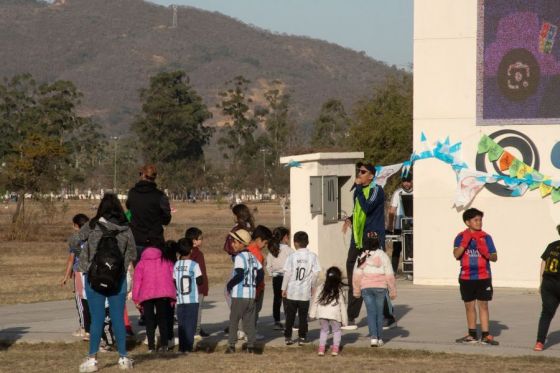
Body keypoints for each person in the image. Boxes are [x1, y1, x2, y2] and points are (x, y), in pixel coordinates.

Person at [77, 193, 136, 372]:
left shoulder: (93, 225)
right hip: (117, 278)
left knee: (97, 318)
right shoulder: (125, 228)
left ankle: (92, 359)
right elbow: (133, 253)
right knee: (118, 317)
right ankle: (123, 358)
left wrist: (86, 260)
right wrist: (122, 266)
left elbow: (75, 239)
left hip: (94, 277)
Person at [342, 161, 388, 329]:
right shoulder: (358, 192)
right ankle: (351, 316)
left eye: (362, 172)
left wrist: (359, 188)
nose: (359, 174)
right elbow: (359, 211)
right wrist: (351, 219)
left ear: (371, 175)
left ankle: (387, 315)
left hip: (371, 239)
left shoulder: (377, 190)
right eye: (358, 171)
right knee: (354, 275)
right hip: (358, 239)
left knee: (374, 278)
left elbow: (368, 207)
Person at [453, 208, 499, 345]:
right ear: (467, 222)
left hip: (483, 276)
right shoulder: (460, 236)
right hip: (466, 277)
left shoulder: (486, 237)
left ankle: (485, 336)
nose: (479, 222)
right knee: (469, 306)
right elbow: (456, 255)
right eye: (476, 220)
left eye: (480, 220)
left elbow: (495, 257)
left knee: (483, 305)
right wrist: (464, 243)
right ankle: (472, 335)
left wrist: (486, 252)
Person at [132, 237, 176, 353]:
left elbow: (137, 282)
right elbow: (173, 277)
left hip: (147, 295)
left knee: (149, 321)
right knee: (163, 319)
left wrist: (136, 298)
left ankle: (151, 346)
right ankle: (165, 345)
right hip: (163, 294)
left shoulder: (141, 263)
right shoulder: (166, 261)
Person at [352, 232, 396, 347]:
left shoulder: (362, 256)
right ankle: (380, 338)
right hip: (380, 288)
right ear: (378, 242)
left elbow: (356, 275)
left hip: (366, 288)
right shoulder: (383, 255)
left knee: (371, 313)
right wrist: (392, 290)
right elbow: (389, 274)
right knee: (379, 313)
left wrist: (356, 290)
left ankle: (373, 338)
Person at [225, 229, 264, 354]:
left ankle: (231, 345)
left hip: (239, 295)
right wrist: (255, 284)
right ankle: (251, 346)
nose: (232, 244)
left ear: (242, 243)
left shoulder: (239, 257)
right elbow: (261, 273)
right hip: (251, 296)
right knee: (249, 322)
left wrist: (230, 284)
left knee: (234, 321)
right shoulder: (253, 257)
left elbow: (240, 274)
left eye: (235, 242)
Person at [282, 231, 321, 346]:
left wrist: (283, 288)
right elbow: (316, 273)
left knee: (290, 316)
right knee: (303, 317)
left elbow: (287, 274)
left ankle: (288, 337)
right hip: (304, 293)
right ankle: (302, 337)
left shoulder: (292, 256)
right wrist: (312, 285)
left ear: (295, 243)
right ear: (307, 242)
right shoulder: (312, 256)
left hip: (292, 292)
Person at [126, 164, 172, 262]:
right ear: (154, 178)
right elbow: (166, 219)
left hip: (136, 240)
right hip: (154, 241)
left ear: (143, 175)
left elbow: (128, 207)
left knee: (139, 273)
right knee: (153, 274)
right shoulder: (160, 196)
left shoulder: (132, 193)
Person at [61, 213, 91, 340]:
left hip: (80, 273)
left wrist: (66, 276)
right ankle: (91, 326)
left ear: (76, 226)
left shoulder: (75, 239)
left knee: (80, 301)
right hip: (93, 273)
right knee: (91, 300)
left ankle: (84, 328)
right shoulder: (93, 237)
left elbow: (71, 259)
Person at [173, 238, 204, 353]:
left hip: (180, 300)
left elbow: (174, 281)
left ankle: (182, 347)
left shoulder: (176, 265)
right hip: (192, 299)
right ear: (191, 250)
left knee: (182, 324)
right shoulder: (194, 265)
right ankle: (188, 347)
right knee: (191, 324)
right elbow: (200, 281)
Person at [309, 266, 348, 356]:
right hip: (335, 314)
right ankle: (335, 349)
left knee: (323, 330)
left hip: (322, 314)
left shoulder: (321, 287)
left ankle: (321, 349)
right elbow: (342, 306)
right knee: (336, 331)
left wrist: (312, 314)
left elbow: (315, 301)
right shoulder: (340, 289)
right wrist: (345, 320)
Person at [534, 225, 560, 351]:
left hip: (548, 283)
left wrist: (541, 282)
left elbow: (543, 263)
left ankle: (539, 342)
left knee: (546, 314)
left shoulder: (552, 245)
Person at [185, 227, 209, 339]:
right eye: (200, 238)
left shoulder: (188, 253)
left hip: (190, 287)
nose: (202, 240)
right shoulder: (196, 254)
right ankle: (196, 330)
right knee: (197, 309)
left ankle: (194, 328)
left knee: (192, 309)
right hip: (198, 287)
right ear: (194, 241)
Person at [247, 225, 272, 335]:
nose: (265, 246)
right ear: (258, 239)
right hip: (256, 288)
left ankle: (245, 331)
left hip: (249, 287)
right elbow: (257, 273)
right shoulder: (256, 253)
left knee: (249, 311)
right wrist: (257, 289)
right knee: (254, 311)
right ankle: (251, 332)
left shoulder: (248, 249)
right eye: (265, 243)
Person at [266, 227, 293, 330]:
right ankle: (288, 321)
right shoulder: (289, 250)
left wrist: (272, 274)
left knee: (277, 300)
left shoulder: (272, 250)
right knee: (287, 300)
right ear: (285, 237)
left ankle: (276, 322)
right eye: (288, 237)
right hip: (287, 278)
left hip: (276, 278)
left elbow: (268, 266)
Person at [387, 171, 413, 273]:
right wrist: (390, 225)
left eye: (408, 181)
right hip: (399, 226)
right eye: (404, 181)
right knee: (397, 249)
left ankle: (411, 271)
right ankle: (393, 271)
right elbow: (392, 210)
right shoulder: (398, 193)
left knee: (411, 249)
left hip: (412, 226)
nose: (406, 184)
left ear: (412, 181)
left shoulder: (417, 192)